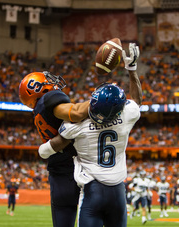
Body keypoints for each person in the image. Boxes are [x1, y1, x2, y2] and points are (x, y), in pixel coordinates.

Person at [39, 43, 142, 227]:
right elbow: (136, 100)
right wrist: (132, 70)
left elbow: (53, 147)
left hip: (92, 192)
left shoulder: (78, 125)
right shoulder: (127, 116)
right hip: (118, 193)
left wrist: (42, 150)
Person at [19, 70, 90, 227]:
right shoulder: (50, 98)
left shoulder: (39, 111)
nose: (52, 81)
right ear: (37, 87)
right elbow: (77, 113)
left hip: (57, 171)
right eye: (46, 80)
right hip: (78, 167)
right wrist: (99, 99)